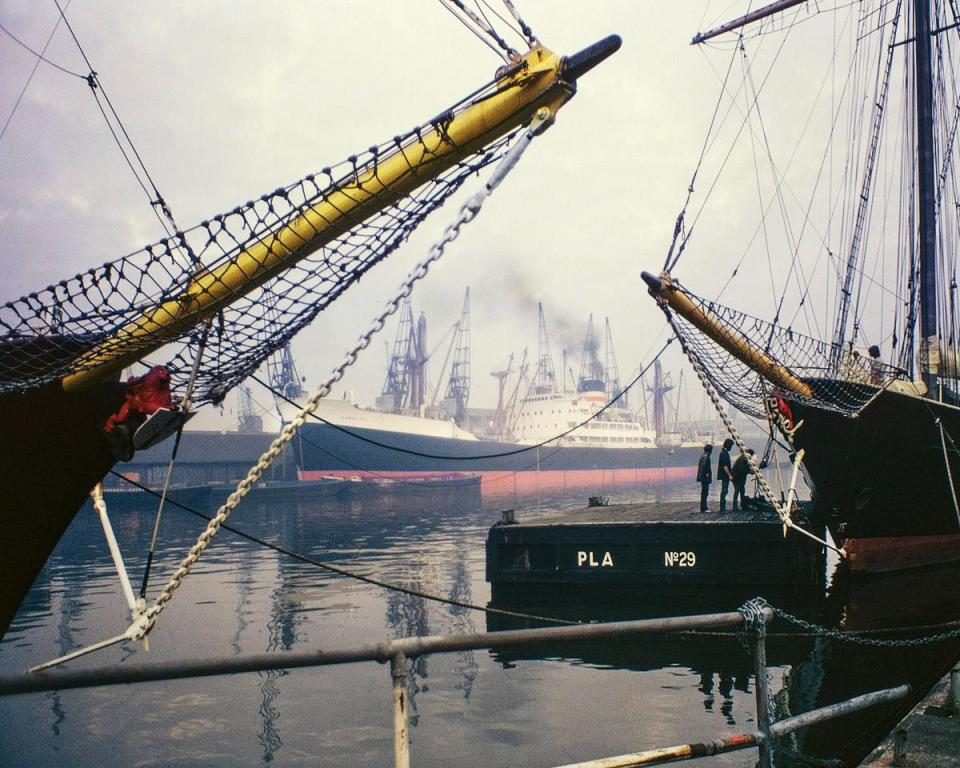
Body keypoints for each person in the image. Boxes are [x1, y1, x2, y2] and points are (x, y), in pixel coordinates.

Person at [716, 438, 734, 512]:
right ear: (728, 445)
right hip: (725, 476)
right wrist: (729, 475)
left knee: (724, 490)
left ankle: (723, 507)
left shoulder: (724, 453)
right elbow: (725, 466)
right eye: (731, 446)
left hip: (724, 475)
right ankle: (722, 508)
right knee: (724, 490)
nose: (731, 448)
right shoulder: (724, 454)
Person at [697, 443, 713, 512]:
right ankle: (704, 508)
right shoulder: (707, 457)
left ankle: (703, 507)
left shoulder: (702, 456)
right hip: (705, 478)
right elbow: (704, 467)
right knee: (705, 493)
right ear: (710, 450)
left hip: (702, 477)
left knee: (703, 493)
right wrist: (706, 475)